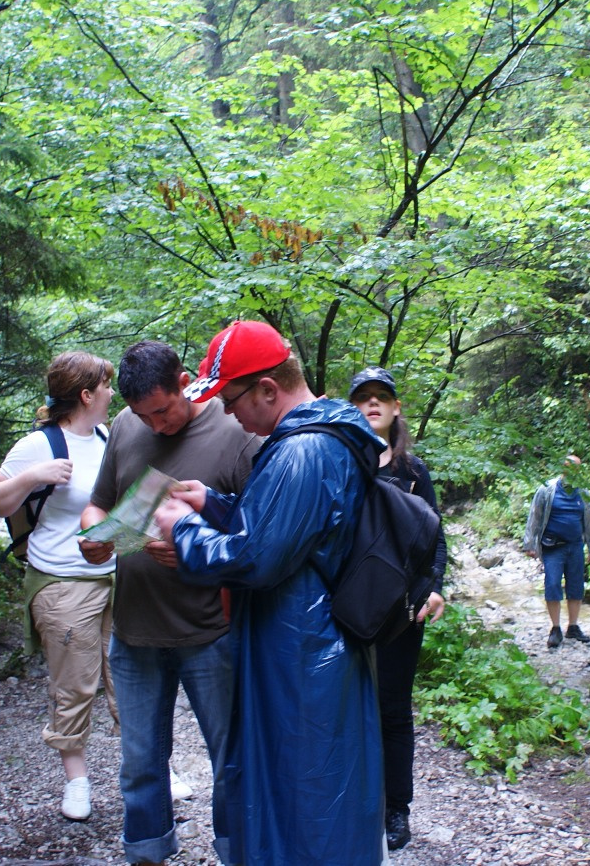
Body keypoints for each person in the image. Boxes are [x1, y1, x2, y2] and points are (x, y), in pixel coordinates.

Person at [151, 321, 386, 865]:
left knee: (304, 790)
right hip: (300, 642)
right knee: (299, 784)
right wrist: (210, 502)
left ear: (267, 389)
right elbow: (285, 529)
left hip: (302, 651)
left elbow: (256, 557)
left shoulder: (303, 450)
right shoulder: (309, 443)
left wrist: (181, 531)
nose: (228, 413)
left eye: (230, 399)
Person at [79, 341, 263, 866]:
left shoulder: (235, 433)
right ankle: (147, 850)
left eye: (163, 410)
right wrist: (93, 536)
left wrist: (193, 552)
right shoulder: (124, 427)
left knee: (229, 759)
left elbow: (255, 538)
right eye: (144, 415)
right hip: (135, 631)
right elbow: (99, 505)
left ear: (186, 382)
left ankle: (237, 852)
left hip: (210, 633)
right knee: (140, 761)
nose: (155, 425)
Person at [0, 351, 118, 821]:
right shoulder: (39, 445)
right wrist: (33, 476)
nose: (112, 393)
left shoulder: (110, 436)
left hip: (118, 577)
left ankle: (153, 767)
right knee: (76, 684)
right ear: (86, 394)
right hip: (62, 581)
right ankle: (77, 782)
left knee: (130, 678)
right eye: (106, 385)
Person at [346, 366, 448, 852]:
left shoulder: (412, 471)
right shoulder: (342, 462)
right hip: (347, 606)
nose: (372, 404)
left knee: (392, 709)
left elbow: (435, 536)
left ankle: (396, 809)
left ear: (395, 407)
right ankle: (352, 801)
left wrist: (433, 587)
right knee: (344, 705)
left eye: (380, 397)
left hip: (402, 608)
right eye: (363, 397)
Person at [521, 454, 590, 649]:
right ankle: (555, 628)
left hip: (575, 546)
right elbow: (535, 516)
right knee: (553, 583)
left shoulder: (583, 492)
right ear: (563, 468)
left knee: (576, 586)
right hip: (553, 546)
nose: (573, 472)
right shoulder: (547, 489)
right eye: (569, 468)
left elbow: (589, 520)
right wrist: (529, 544)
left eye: (576, 469)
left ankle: (573, 626)